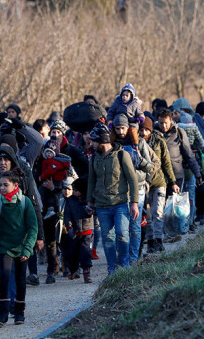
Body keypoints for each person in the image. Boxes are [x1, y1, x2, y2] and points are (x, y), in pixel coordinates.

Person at [0, 169, 38, 327]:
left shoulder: (24, 202)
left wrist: (27, 249)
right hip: (4, 247)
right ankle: (3, 313)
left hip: (21, 247)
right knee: (4, 278)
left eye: (5, 185)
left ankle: (19, 313)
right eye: (0, 185)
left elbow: (32, 228)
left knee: (21, 280)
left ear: (15, 185)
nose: (2, 188)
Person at [86, 122, 138, 275]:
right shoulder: (94, 158)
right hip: (102, 205)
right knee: (107, 238)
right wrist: (90, 201)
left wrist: (134, 203)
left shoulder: (122, 155)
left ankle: (124, 265)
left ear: (102, 141)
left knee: (122, 234)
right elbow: (91, 180)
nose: (92, 144)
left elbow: (132, 179)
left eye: (94, 141)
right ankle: (112, 270)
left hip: (120, 203)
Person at [110, 114, 157, 264]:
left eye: (123, 128)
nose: (121, 131)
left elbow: (150, 167)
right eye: (117, 128)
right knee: (120, 226)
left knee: (135, 225)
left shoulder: (140, 143)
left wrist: (138, 159)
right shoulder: (112, 144)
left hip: (138, 187)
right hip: (119, 189)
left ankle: (133, 258)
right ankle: (122, 257)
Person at [156, 109, 202, 230]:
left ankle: (176, 230)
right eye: (161, 123)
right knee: (161, 206)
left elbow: (189, 155)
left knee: (174, 206)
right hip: (159, 177)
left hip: (177, 176)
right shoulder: (154, 134)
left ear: (171, 120)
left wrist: (197, 173)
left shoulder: (179, 133)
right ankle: (165, 232)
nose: (164, 126)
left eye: (166, 122)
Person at [139, 117, 177, 253]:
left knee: (158, 211)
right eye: (141, 130)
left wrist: (172, 182)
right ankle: (150, 242)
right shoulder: (136, 142)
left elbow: (166, 163)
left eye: (146, 130)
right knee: (148, 215)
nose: (143, 133)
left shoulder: (159, 141)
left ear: (150, 129)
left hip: (159, 182)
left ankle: (159, 240)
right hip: (144, 184)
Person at [62, 178, 94, 283]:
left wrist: (91, 211)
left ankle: (86, 273)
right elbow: (67, 215)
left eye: (76, 190)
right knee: (72, 253)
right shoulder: (70, 200)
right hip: (75, 232)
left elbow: (95, 211)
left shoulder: (88, 200)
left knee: (86, 252)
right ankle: (72, 270)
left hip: (87, 231)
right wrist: (69, 226)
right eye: (73, 189)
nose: (74, 191)